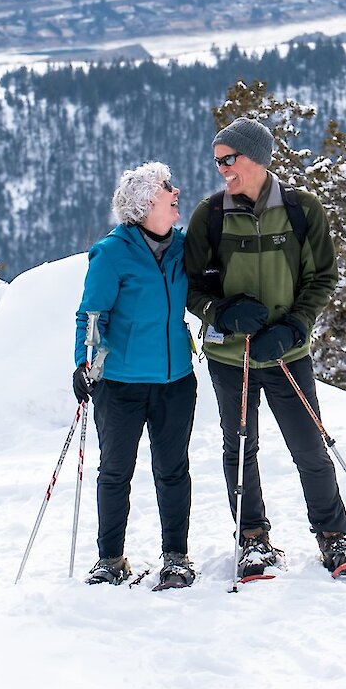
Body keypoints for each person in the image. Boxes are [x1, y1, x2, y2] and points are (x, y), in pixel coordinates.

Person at [184, 118, 346, 579]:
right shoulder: (209, 215)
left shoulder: (299, 210)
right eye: (217, 161)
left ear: (258, 157)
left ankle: (333, 538)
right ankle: (252, 540)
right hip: (232, 357)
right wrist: (222, 313)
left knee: (310, 445)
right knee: (239, 448)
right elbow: (189, 287)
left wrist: (294, 328)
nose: (223, 169)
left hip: (286, 352)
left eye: (230, 159)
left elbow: (322, 278)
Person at [73, 161, 198, 590]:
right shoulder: (112, 252)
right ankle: (109, 559)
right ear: (146, 203)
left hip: (176, 381)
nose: (177, 190)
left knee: (172, 470)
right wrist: (83, 363)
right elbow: (91, 315)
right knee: (115, 472)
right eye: (168, 187)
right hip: (121, 385)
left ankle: (176, 558)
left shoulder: (184, 247)